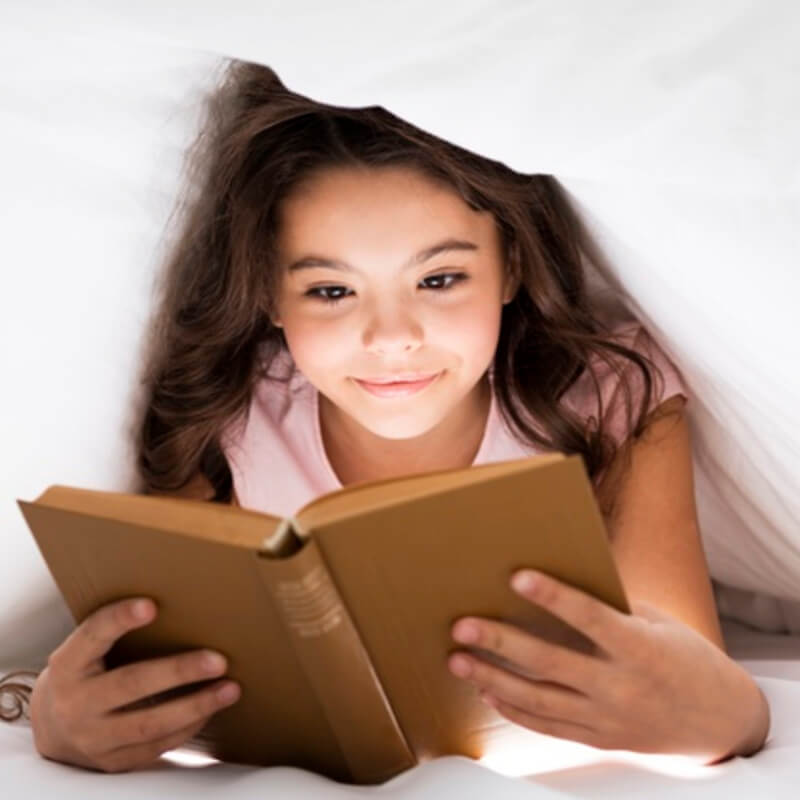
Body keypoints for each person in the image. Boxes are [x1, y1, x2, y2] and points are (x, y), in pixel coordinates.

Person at [15, 60, 769, 773]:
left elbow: (689, 674)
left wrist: (732, 720)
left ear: (511, 266)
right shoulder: (232, 414)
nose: (391, 338)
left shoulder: (613, 395)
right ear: (271, 296)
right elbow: (152, 671)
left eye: (439, 278)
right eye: (332, 292)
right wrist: (61, 720)